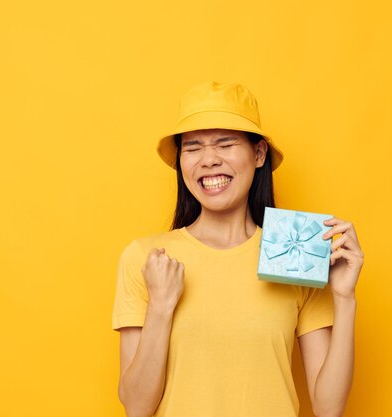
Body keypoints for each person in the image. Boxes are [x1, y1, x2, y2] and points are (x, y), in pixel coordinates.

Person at [112, 81, 364, 417]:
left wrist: (344, 299)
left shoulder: (293, 252)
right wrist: (161, 306)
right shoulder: (149, 258)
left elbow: (328, 409)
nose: (209, 160)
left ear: (258, 154)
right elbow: (137, 407)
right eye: (193, 147)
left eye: (225, 144)